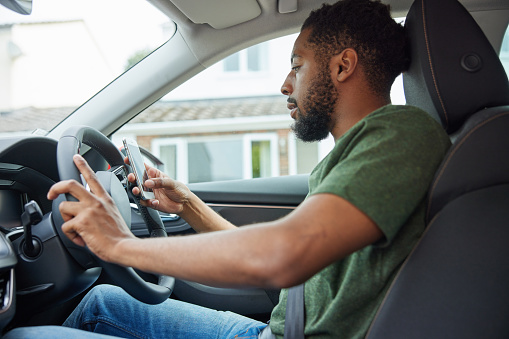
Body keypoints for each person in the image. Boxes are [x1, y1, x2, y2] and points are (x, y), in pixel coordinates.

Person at [5, 0, 451, 338]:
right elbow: (288, 265)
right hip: (280, 330)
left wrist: (118, 244)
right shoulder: (357, 151)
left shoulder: (401, 133)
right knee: (101, 300)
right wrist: (189, 206)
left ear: (342, 65)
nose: (284, 84)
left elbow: (282, 255)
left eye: (297, 65)